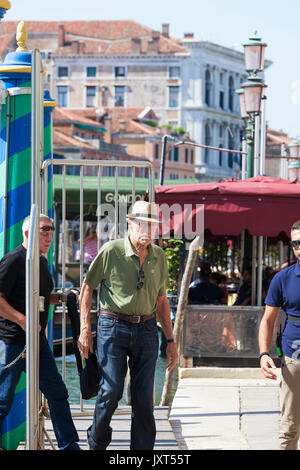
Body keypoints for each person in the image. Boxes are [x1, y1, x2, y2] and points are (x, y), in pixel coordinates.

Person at [78, 201, 178, 450]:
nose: (149, 230)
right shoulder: (111, 251)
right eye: (143, 224)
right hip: (112, 325)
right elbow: (87, 287)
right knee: (111, 391)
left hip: (146, 329)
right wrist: (83, 328)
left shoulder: (159, 256)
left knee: (144, 399)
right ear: (130, 225)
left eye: (153, 225)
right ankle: (97, 441)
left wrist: (171, 340)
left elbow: (162, 300)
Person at [0, 214, 80, 450]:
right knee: (3, 401)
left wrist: (62, 297)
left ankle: (69, 447)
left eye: (52, 231)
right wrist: (22, 319)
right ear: (28, 233)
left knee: (57, 394)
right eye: (44, 230)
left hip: (37, 342)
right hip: (12, 342)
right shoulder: (14, 260)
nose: (49, 236)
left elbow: (40, 297)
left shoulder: (41, 262)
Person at [258, 219, 300, 450]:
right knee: (290, 427)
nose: (299, 248)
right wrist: (264, 353)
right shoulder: (282, 278)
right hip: (294, 359)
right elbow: (268, 319)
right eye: (295, 243)